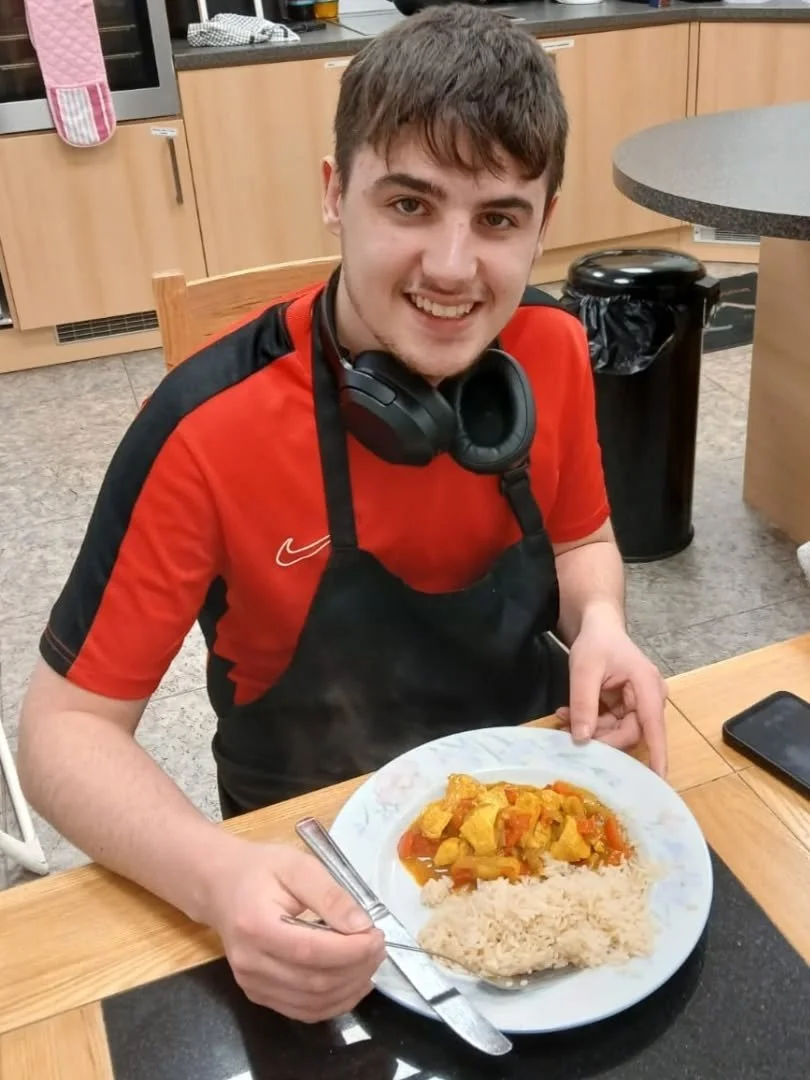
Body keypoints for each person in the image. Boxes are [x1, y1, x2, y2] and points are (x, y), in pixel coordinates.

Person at [17, 4, 667, 1025]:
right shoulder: (203, 429)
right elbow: (62, 735)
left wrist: (605, 623)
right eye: (410, 203)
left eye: (498, 218)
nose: (454, 268)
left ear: (543, 222)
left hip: (533, 818)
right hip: (305, 864)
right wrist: (219, 879)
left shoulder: (549, 351)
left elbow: (584, 536)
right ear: (335, 194)